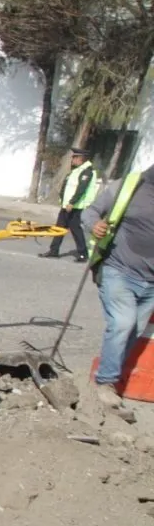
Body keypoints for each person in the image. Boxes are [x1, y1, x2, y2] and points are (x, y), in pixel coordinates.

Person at [82, 164, 154, 417]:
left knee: (134, 330)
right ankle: (105, 382)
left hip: (152, 282)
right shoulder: (130, 185)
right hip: (118, 270)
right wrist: (95, 225)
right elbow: (90, 212)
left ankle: (112, 376)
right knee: (123, 322)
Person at [41, 147, 99, 262]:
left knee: (76, 229)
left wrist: (72, 202)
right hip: (67, 206)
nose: (72, 160)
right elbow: (67, 186)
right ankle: (54, 251)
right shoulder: (76, 170)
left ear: (80, 158)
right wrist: (63, 200)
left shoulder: (87, 171)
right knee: (59, 228)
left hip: (76, 207)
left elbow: (81, 189)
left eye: (74, 158)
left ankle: (83, 254)